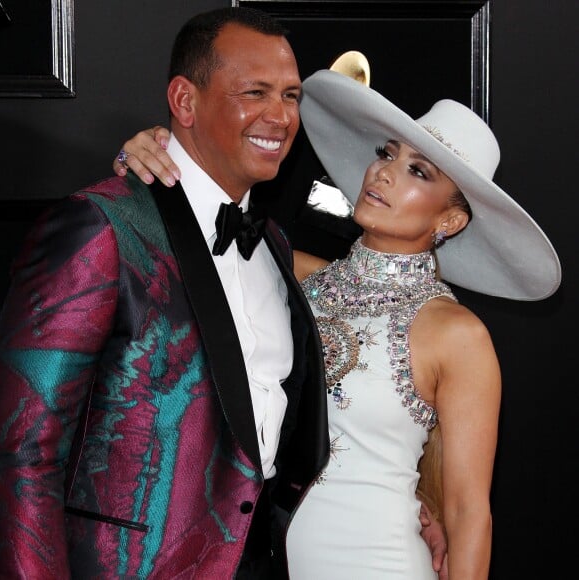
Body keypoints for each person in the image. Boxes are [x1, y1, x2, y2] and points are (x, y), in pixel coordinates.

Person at [111, 68, 561, 579]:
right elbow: (183, 229)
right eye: (387, 154)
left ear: (451, 221)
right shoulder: (285, 270)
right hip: (259, 561)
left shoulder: (457, 335)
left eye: (419, 172)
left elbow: (467, 514)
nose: (386, 173)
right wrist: (146, 153)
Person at [0, 8, 327, 579]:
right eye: (255, 92)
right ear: (184, 100)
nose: (280, 116)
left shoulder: (273, 242)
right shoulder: (101, 227)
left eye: (292, 95)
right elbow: (23, 451)